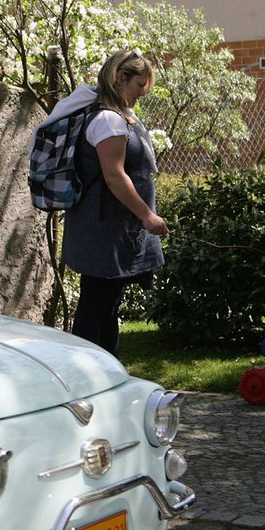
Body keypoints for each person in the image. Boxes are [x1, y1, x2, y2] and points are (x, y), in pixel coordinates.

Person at [53, 50, 168, 357]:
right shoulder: (108, 121)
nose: (141, 93)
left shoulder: (115, 117)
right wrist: (147, 215)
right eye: (139, 85)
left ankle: (108, 370)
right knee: (96, 308)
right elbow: (114, 176)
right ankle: (85, 371)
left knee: (105, 306)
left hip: (108, 228)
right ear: (120, 78)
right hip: (105, 230)